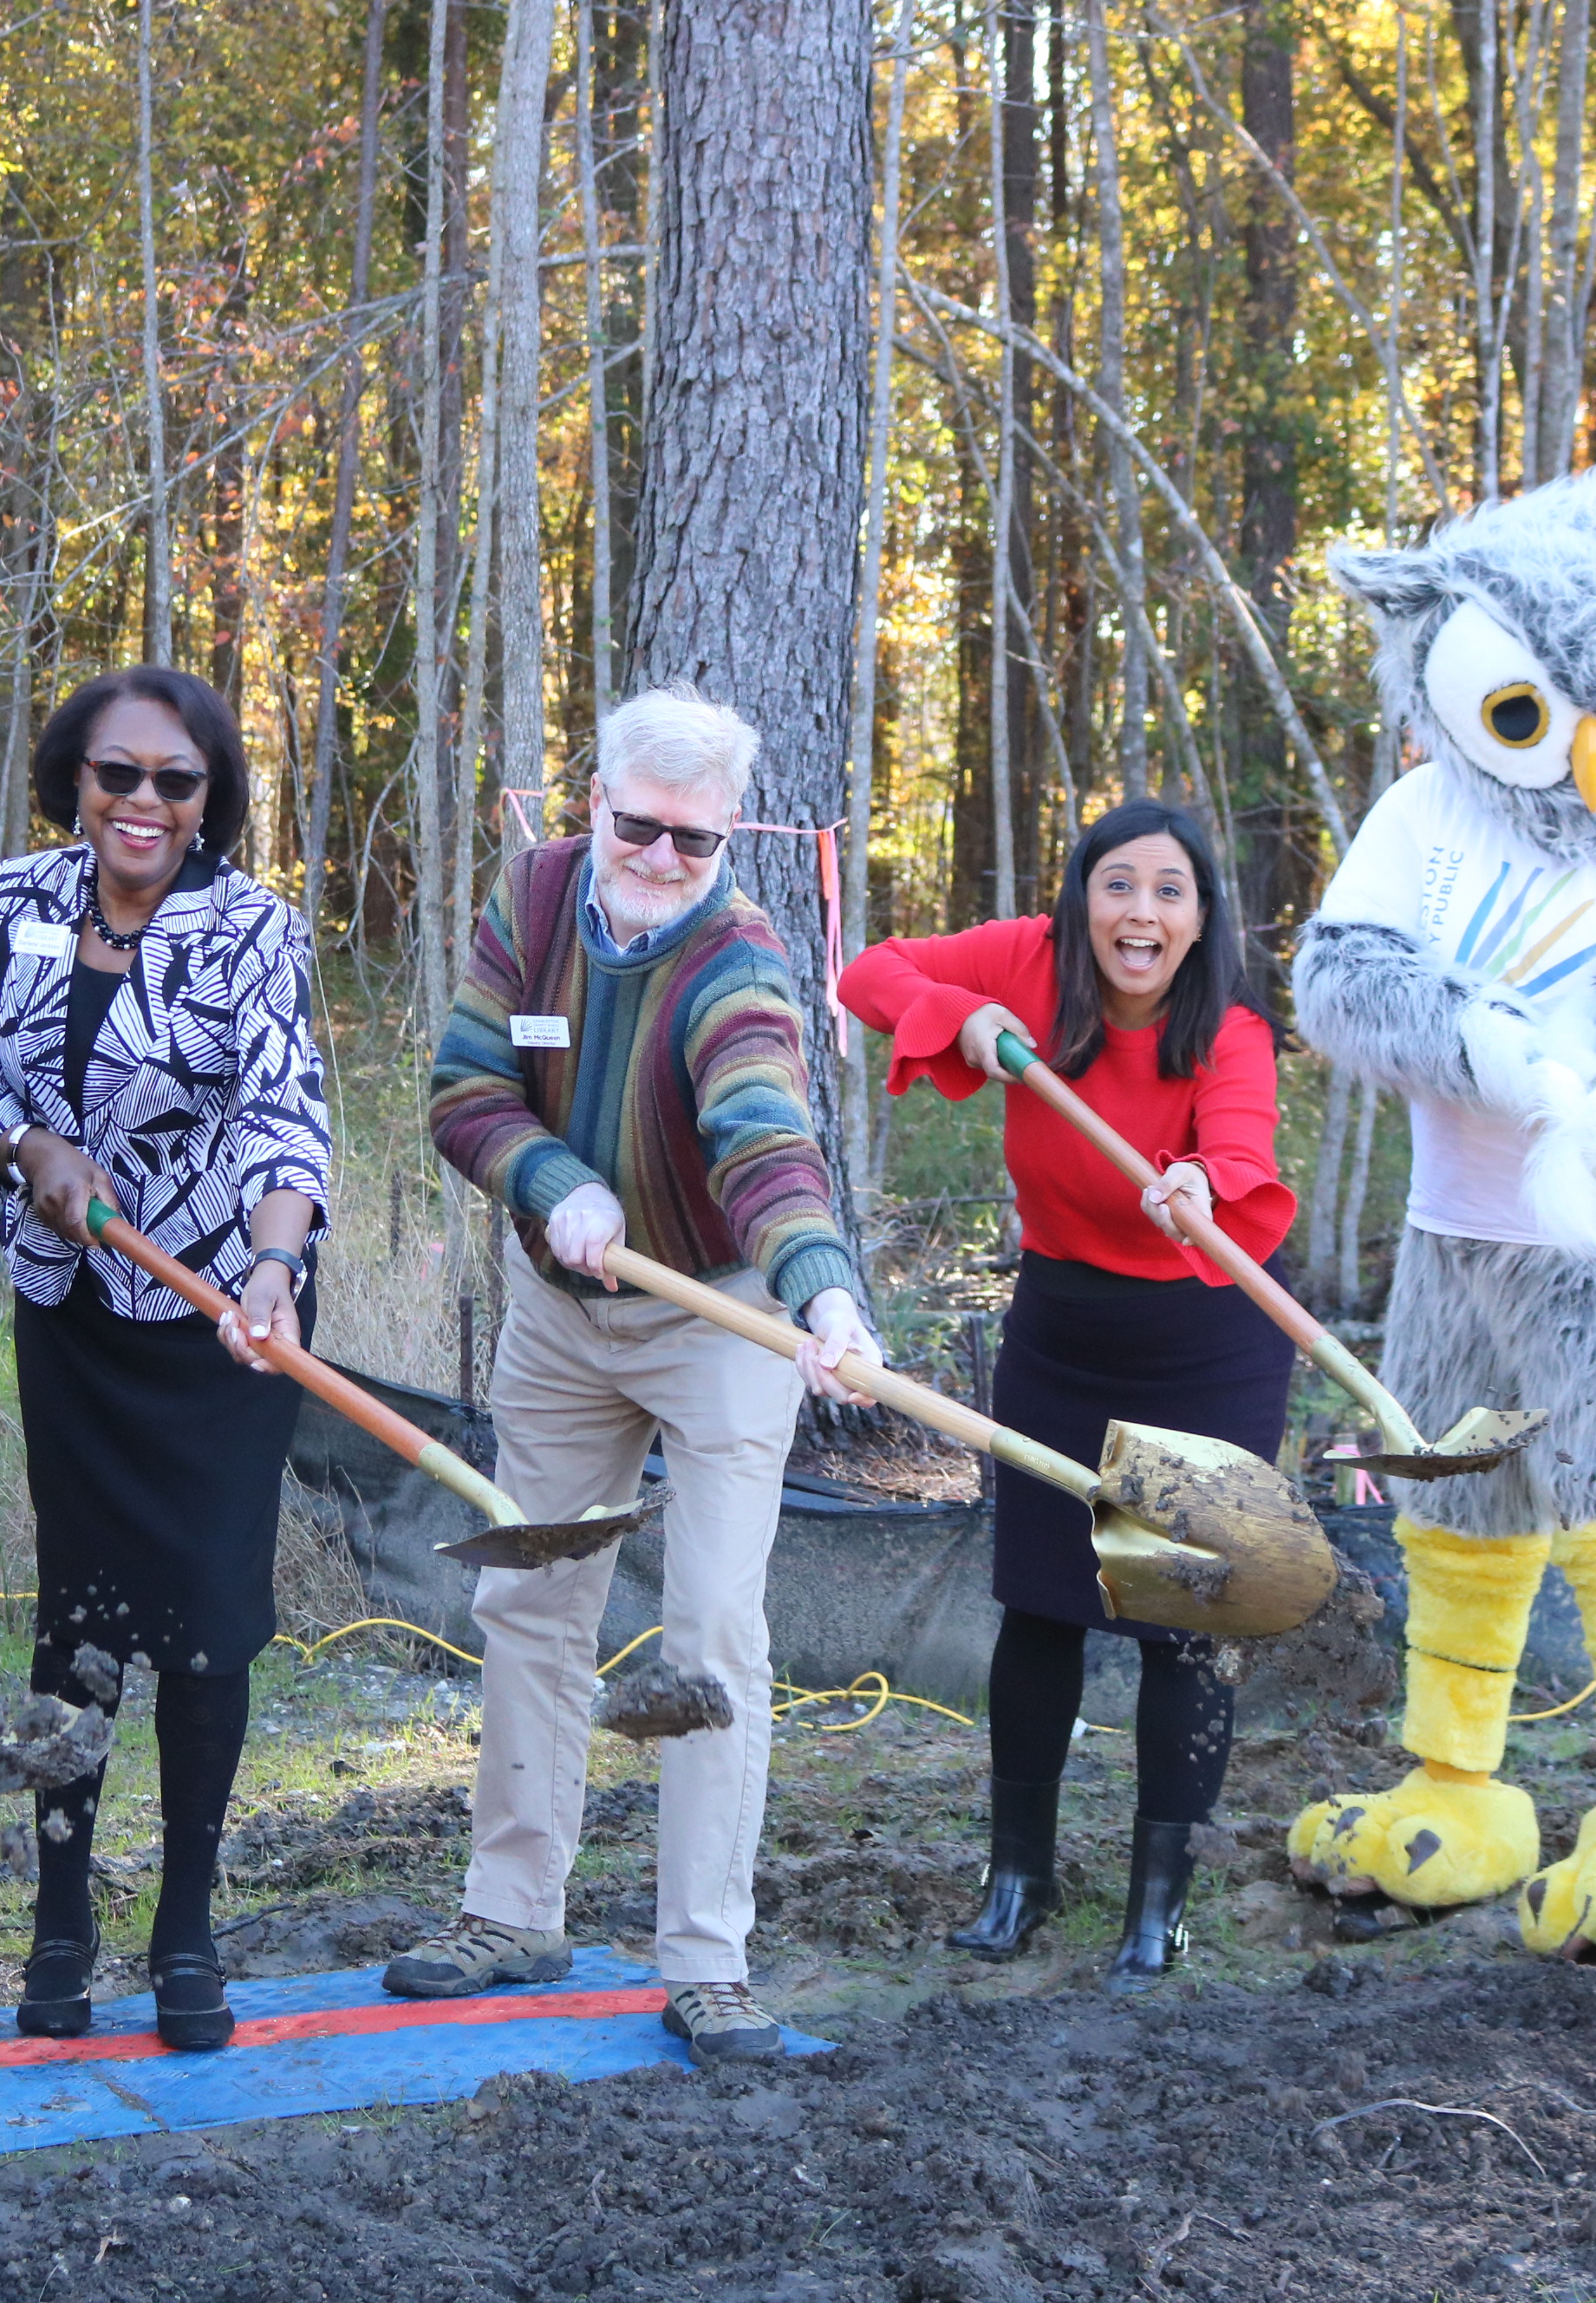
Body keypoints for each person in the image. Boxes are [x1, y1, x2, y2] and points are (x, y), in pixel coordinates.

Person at [385, 683, 879, 2067]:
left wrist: (821, 1288)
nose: (662, 860)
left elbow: (764, 1137)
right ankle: (511, 1909)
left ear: (731, 839)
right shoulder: (534, 902)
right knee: (531, 1597)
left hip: (715, 1313)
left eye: (694, 841)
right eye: (639, 826)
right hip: (562, 1311)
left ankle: (709, 1958)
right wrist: (552, 1181)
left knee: (713, 1633)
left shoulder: (739, 959)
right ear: (592, 800)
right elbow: (462, 1088)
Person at [837, 799, 1295, 1993]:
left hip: (1207, 1338)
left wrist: (1197, 1177)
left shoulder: (1231, 1031)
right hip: (1064, 1326)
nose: (1140, 911)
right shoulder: (1026, 966)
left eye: (1170, 891)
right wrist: (963, 1016)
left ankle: (1164, 1910)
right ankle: (1019, 1880)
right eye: (1119, 884)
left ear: (1200, 921)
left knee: (1183, 1625)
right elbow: (866, 974)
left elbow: (1241, 1152)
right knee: (1041, 1604)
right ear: (1083, 896)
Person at [0, 666, 333, 2053]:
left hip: (223, 1319)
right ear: (75, 781)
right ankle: (62, 1913)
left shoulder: (252, 931)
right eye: (120, 775)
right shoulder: (19, 903)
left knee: (210, 1623)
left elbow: (287, 1118)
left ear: (211, 796)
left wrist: (277, 1271)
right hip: (74, 1311)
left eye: (178, 781)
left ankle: (186, 1920)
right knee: (82, 1619)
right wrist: (35, 1149)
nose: (145, 803)